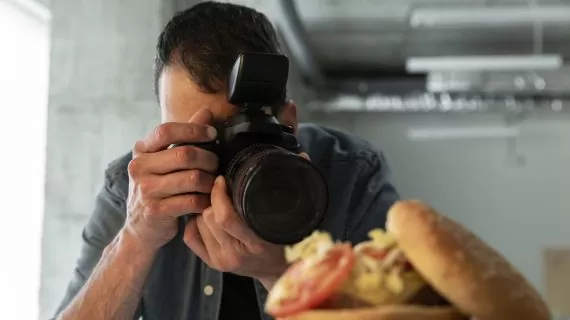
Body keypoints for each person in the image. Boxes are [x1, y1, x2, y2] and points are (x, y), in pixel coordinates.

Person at [53, 2, 400, 320]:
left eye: (239, 136)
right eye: (195, 141)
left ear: (288, 123)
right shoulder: (133, 188)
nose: (221, 163)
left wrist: (282, 275)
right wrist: (135, 237)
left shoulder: (350, 172)